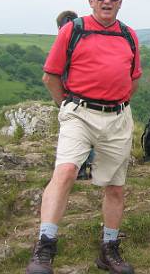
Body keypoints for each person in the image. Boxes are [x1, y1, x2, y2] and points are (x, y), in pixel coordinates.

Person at [26, 0, 142, 274]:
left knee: (115, 187)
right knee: (65, 172)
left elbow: (134, 78)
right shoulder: (73, 30)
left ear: (120, 1)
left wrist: (118, 100)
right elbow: (51, 76)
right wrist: (66, 104)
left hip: (117, 117)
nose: (107, 2)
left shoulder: (129, 35)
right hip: (79, 112)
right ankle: (45, 246)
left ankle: (109, 249)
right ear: (90, 0)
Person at [55, 10, 94, 181]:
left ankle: (77, 168)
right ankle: (88, 166)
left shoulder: (63, 41)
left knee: (75, 134)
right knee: (89, 132)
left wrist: (61, 101)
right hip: (90, 96)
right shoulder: (85, 39)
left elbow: (52, 74)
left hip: (70, 96)